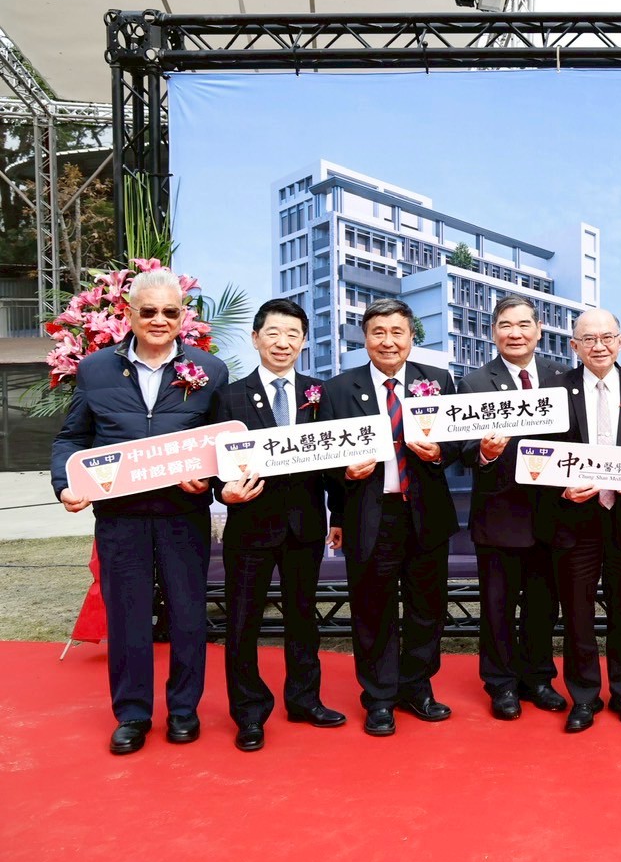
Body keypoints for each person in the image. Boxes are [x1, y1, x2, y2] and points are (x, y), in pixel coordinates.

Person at [51, 267, 228, 755]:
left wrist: (211, 479)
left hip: (182, 514)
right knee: (128, 617)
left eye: (170, 311)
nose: (159, 320)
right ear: (129, 315)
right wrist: (66, 484)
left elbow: (222, 443)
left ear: (183, 316)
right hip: (119, 517)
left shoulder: (210, 370)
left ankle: (184, 711)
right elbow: (72, 437)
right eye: (148, 311)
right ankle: (132, 714)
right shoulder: (95, 369)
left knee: (188, 615)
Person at [211, 299, 346, 752]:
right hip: (250, 527)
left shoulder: (319, 394)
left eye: (292, 334)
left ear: (304, 342)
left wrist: (338, 516)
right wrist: (223, 492)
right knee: (243, 622)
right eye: (273, 333)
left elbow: (334, 463)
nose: (282, 342)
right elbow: (213, 463)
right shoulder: (228, 397)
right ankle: (249, 713)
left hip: (305, 527)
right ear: (255, 338)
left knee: (304, 619)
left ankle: (305, 700)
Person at [320, 297, 459, 736]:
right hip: (369, 515)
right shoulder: (338, 389)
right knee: (372, 608)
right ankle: (379, 696)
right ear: (364, 338)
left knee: (427, 607)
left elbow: (458, 440)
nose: (388, 341)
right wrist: (344, 476)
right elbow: (325, 459)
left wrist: (439, 453)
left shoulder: (437, 381)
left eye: (397, 332)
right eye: (378, 332)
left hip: (425, 514)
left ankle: (416, 687)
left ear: (411, 337)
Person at [545, 308, 621, 732]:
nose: (599, 346)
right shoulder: (555, 390)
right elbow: (536, 453)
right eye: (588, 339)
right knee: (576, 614)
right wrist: (560, 489)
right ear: (574, 346)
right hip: (573, 520)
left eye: (607, 337)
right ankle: (584, 697)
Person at [459, 296, 567, 721]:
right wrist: (484, 452)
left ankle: (538, 678)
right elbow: (461, 448)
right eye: (506, 325)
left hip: (553, 514)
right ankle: (501, 683)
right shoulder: (473, 383)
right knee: (498, 606)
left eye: (524, 325)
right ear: (493, 333)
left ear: (539, 331)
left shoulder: (562, 378)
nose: (515, 333)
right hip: (499, 515)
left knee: (543, 605)